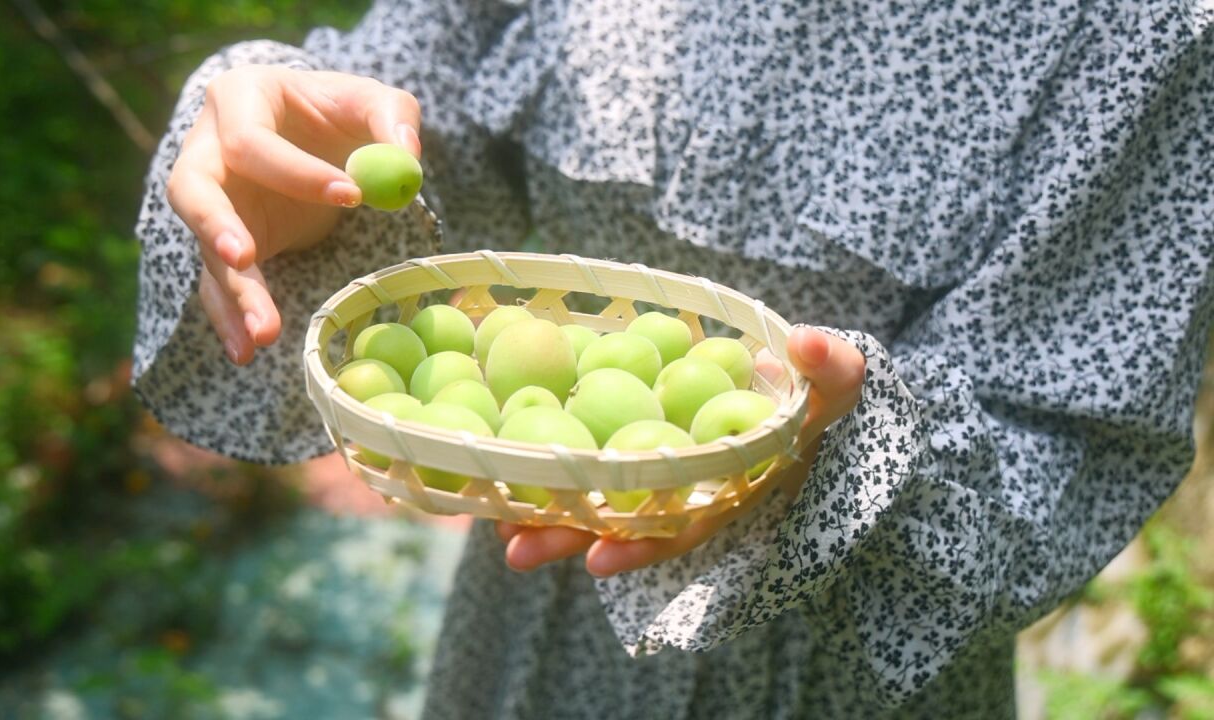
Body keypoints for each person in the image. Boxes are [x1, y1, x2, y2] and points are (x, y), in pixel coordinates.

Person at [133, 1, 1214, 717]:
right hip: (533, 628)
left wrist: (846, 462)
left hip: (847, 679)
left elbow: (1073, 431)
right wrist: (307, 188)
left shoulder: (1136, 25)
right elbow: (396, 139)